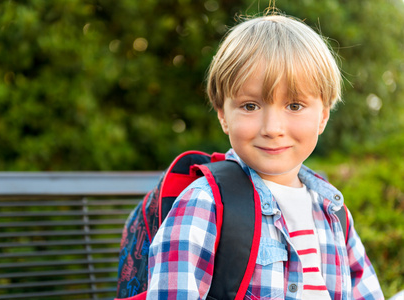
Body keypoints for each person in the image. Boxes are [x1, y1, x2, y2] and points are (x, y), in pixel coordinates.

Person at [146, 13, 384, 300]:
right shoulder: (205, 204)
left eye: (294, 105)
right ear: (223, 115)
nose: (272, 129)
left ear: (322, 116)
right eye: (250, 106)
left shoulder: (332, 211)